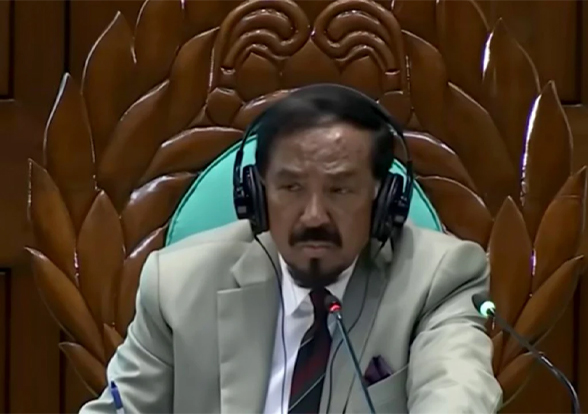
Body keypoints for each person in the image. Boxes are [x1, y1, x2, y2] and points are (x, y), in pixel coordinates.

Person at [79, 84, 502, 413]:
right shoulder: (177, 285)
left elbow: (457, 390)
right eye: (291, 187)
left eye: (340, 189)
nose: (314, 215)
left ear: (383, 199)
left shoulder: (439, 279)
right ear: (257, 196)